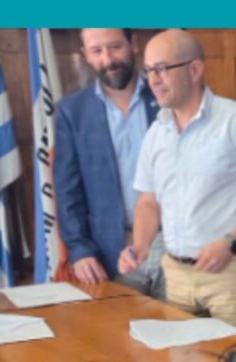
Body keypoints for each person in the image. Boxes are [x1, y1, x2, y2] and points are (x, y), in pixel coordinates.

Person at [118, 29, 236, 329]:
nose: (153, 80)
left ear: (194, 70)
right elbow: (148, 201)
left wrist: (231, 242)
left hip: (235, 273)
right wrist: (139, 247)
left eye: (162, 69)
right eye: (149, 70)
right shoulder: (156, 133)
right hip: (177, 277)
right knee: (183, 360)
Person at [55, 28, 165, 297]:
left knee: (179, 320)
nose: (108, 59)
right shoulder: (72, 112)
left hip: (171, 243)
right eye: (97, 51)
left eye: (115, 47)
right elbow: (68, 192)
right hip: (110, 252)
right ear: (85, 55)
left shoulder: (166, 98)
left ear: (133, 44)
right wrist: (80, 250)